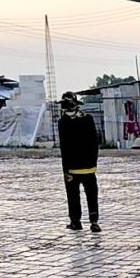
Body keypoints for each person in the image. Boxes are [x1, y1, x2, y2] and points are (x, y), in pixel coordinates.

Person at [58, 92, 102, 233]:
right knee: (92, 195)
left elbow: (64, 148)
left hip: (72, 168)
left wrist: (65, 170)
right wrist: (93, 163)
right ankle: (94, 222)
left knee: (73, 196)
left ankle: (75, 222)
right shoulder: (88, 118)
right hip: (89, 167)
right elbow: (95, 142)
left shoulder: (64, 121)